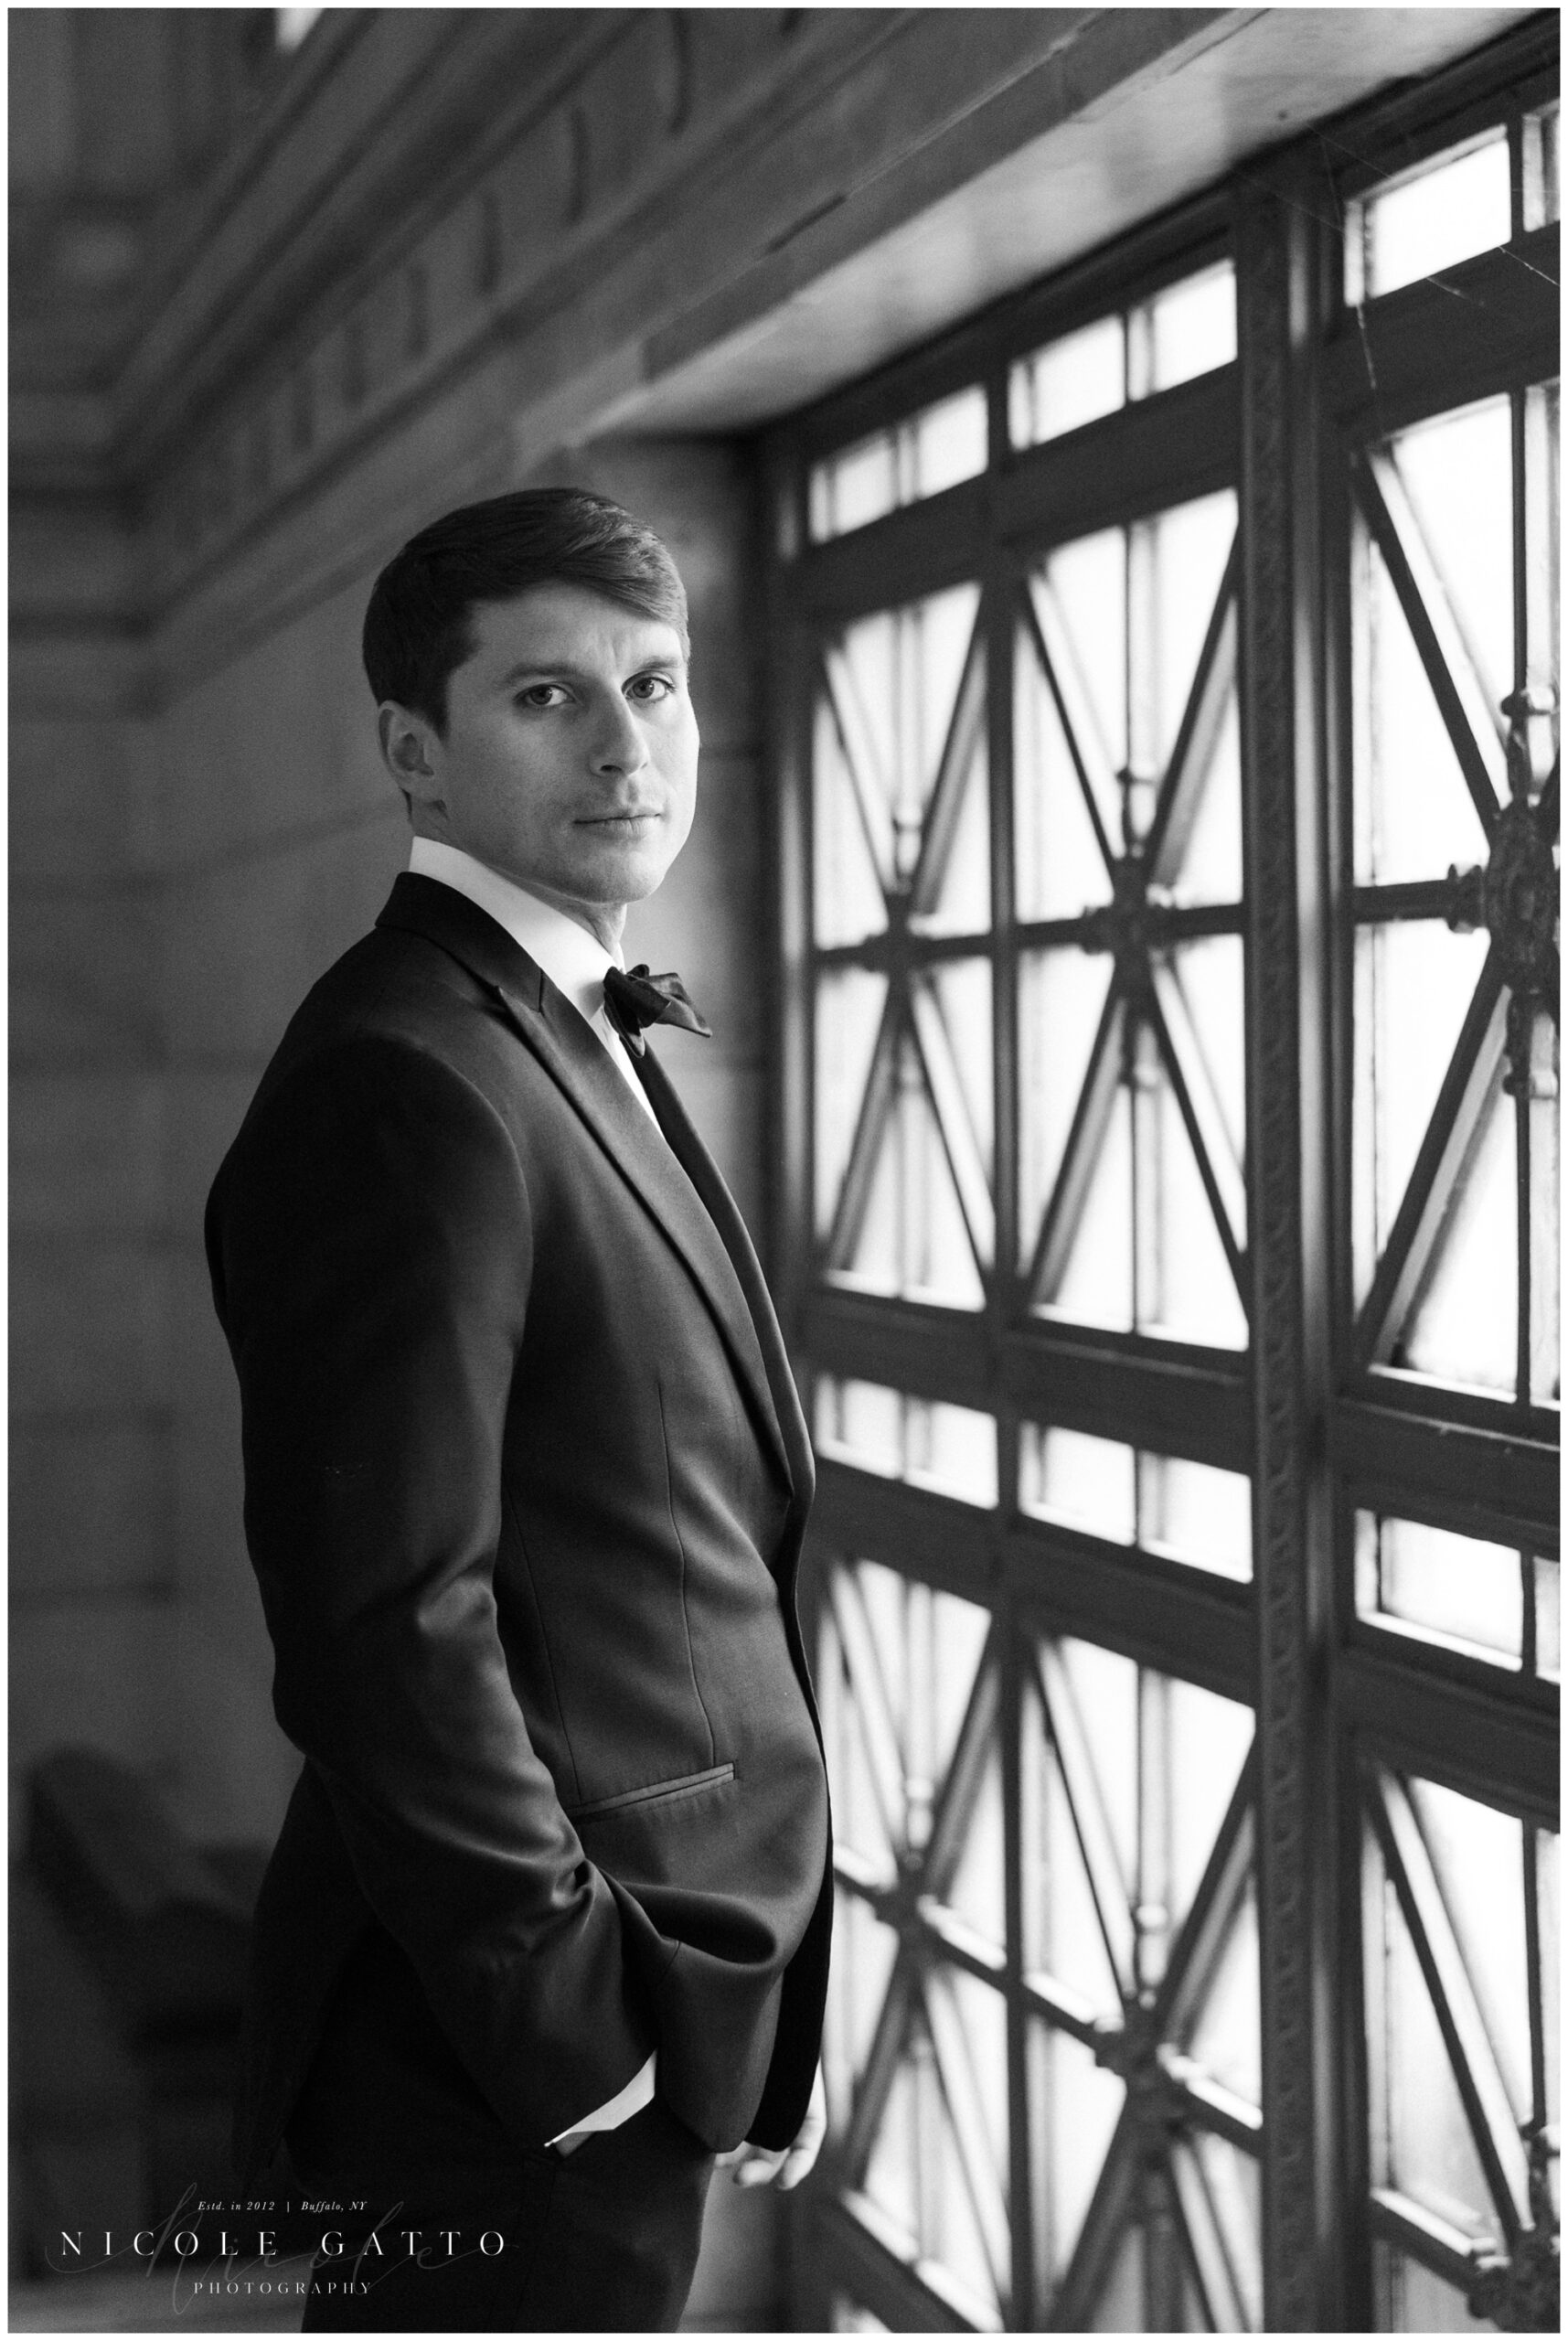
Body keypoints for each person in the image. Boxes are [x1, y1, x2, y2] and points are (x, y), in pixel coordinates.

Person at [204, 488, 832, 2332]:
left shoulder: (547, 1019)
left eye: (654, 683)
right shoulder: (410, 1078)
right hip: (509, 2070)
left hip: (661, 1988)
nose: (626, 740)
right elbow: (385, 1619)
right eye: (548, 697)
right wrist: (587, 2048)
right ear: (417, 753)